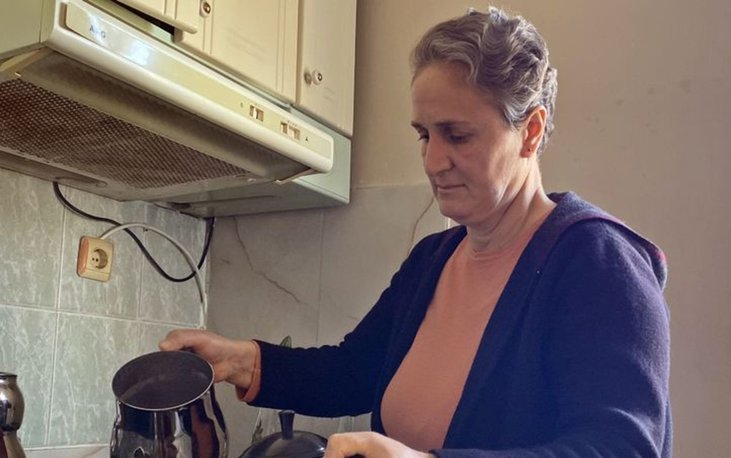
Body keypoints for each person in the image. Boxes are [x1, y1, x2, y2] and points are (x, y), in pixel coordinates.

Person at [161, 7, 671, 457]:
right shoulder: (434, 259)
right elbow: (354, 371)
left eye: (457, 134)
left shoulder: (598, 261)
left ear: (530, 131)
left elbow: (620, 447)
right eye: (424, 135)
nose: (432, 160)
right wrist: (241, 360)